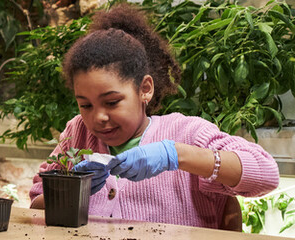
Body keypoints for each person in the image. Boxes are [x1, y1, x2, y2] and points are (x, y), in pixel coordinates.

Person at [28, 5, 279, 229]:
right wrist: (70, 192)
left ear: (145, 89)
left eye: (112, 102)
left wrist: (176, 155)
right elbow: (37, 202)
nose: (98, 117)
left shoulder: (187, 132)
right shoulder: (77, 132)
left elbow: (266, 174)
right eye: (85, 105)